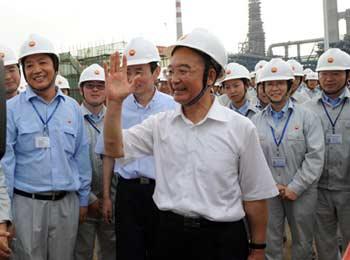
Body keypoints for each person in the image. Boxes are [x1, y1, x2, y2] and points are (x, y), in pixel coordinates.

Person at [103, 28, 278, 260]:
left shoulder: (239, 128)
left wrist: (258, 248)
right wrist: (114, 103)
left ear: (211, 75)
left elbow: (255, 196)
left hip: (222, 241)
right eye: (171, 71)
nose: (174, 79)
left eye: (184, 71)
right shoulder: (160, 124)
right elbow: (115, 149)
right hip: (169, 237)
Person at [1, 34, 91, 260]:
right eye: (29, 65)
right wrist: (5, 215)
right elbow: (5, 164)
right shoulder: (10, 110)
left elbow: (81, 157)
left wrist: (82, 200)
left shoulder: (72, 108)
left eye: (43, 62)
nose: (36, 70)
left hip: (66, 206)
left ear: (56, 66)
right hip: (26, 206)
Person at [96, 37, 176, 260]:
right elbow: (108, 154)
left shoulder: (172, 107)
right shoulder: (116, 107)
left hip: (163, 190)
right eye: (128, 72)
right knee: (129, 251)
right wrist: (107, 197)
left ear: (156, 71)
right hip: (128, 192)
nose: (133, 78)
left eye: (139, 71)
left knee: (162, 250)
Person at [251, 58, 325, 260]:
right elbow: (252, 159)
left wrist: (295, 187)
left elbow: (315, 156)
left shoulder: (307, 117)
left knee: (302, 243)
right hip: (269, 192)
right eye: (269, 84)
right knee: (271, 242)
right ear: (262, 88)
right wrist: (270, 185)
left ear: (289, 86)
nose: (274, 88)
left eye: (280, 83)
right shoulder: (254, 122)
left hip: (301, 193)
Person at [304, 48, 350, 260]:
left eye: (336, 73)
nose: (329, 79)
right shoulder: (306, 109)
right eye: (324, 74)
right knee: (324, 243)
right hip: (319, 189)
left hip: (348, 189)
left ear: (347, 75)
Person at [73, 64, 116, 260]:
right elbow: (69, 161)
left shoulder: (116, 118)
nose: (96, 90)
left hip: (112, 200)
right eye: (90, 85)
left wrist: (109, 198)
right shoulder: (71, 118)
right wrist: (89, 199)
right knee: (82, 252)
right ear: (81, 89)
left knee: (111, 250)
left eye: (100, 85)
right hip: (82, 200)